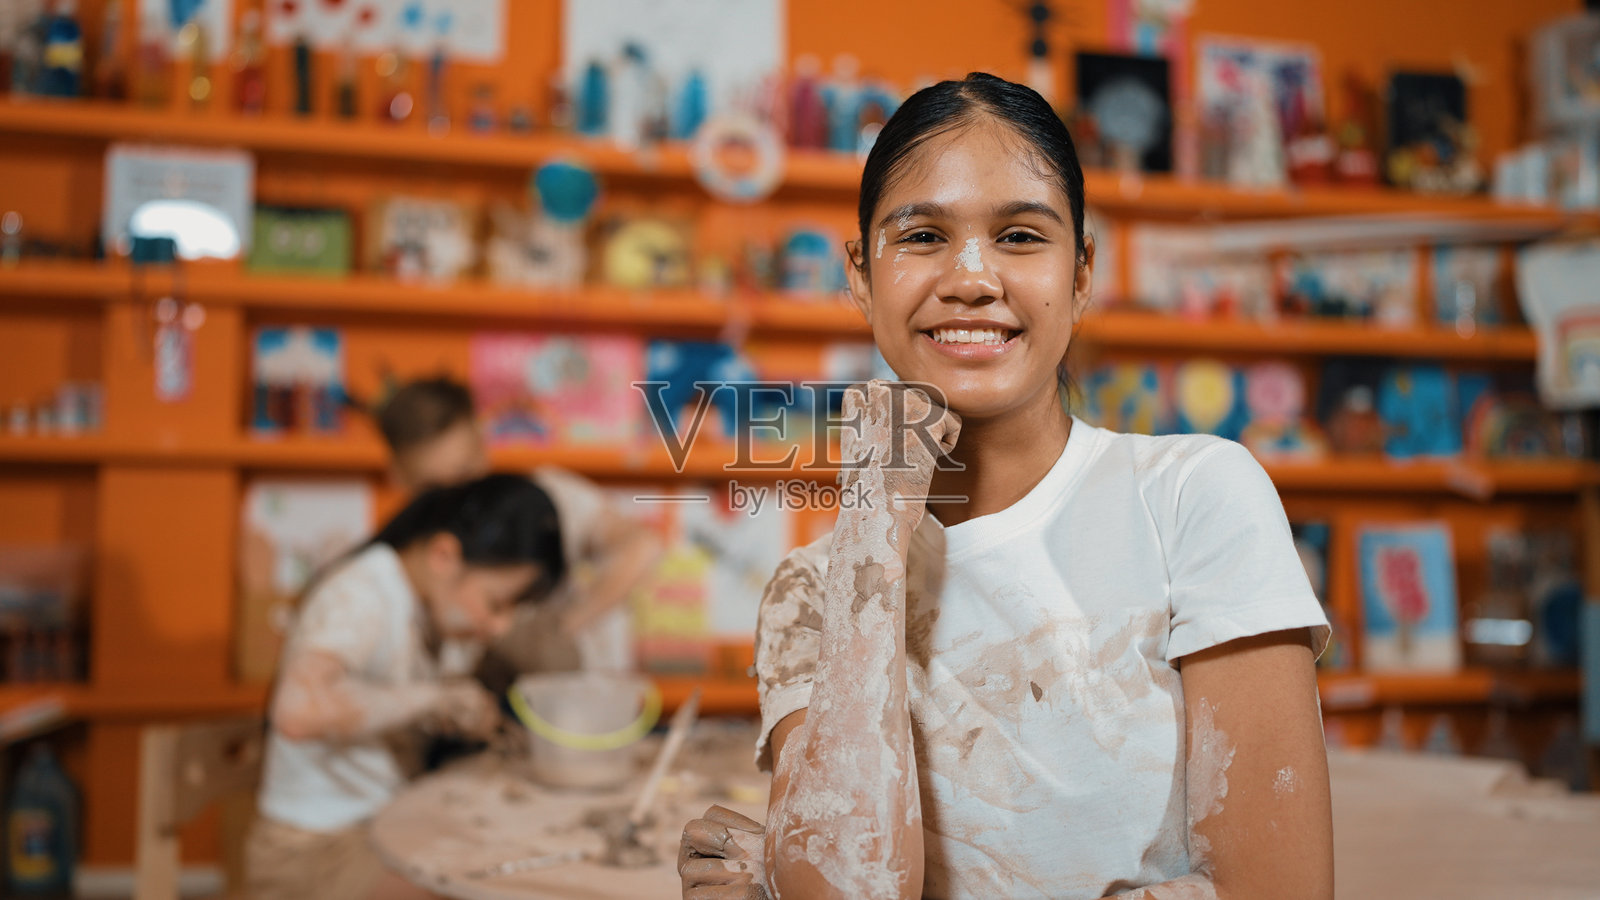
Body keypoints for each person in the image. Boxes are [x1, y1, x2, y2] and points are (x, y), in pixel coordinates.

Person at [679, 73, 1334, 899]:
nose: (972, 279)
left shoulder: (1193, 498)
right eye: (921, 237)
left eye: (1021, 236)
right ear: (859, 273)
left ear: (1082, 271)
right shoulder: (815, 588)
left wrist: (779, 872)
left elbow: (1274, 890)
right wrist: (876, 513)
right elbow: (847, 889)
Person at [246, 474, 565, 900]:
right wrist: (432, 700)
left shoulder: (434, 612)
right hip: (311, 848)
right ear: (444, 556)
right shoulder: (362, 593)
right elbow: (297, 710)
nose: (500, 627)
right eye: (495, 604)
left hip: (379, 827)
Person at [373, 375, 662, 680]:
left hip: (572, 704)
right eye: (431, 489)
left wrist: (560, 629)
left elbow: (642, 546)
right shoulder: (401, 555)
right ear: (398, 474)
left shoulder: (546, 502)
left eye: (464, 474)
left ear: (481, 443)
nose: (455, 500)